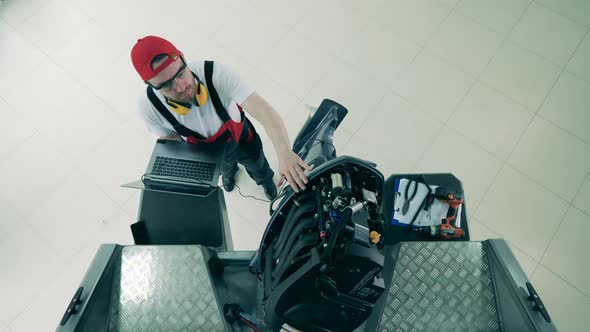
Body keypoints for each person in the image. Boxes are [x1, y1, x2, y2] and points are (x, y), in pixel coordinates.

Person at [130, 35, 310, 200]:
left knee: (259, 166)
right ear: (150, 85)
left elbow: (264, 111)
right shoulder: (149, 107)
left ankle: (266, 183)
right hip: (208, 154)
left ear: (184, 59)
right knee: (226, 171)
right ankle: (230, 177)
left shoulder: (215, 74)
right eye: (167, 85)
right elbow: (170, 139)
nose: (181, 87)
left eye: (180, 74)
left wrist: (284, 152)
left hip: (242, 140)